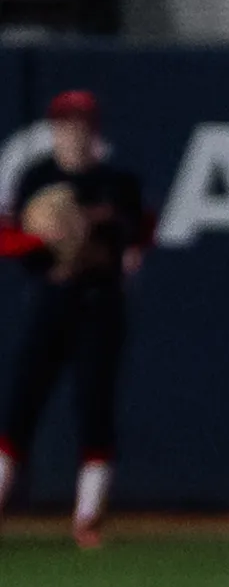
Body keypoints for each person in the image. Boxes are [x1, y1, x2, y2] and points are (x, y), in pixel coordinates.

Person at [0, 91, 149, 549]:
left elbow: (139, 232)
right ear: (54, 129)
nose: (73, 130)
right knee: (19, 407)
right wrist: (44, 244)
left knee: (94, 409)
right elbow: (7, 238)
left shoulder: (116, 183)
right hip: (52, 298)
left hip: (99, 303)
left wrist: (105, 242)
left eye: (81, 122)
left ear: (94, 129)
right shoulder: (36, 177)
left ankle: (88, 518)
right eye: (65, 123)